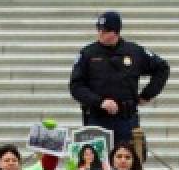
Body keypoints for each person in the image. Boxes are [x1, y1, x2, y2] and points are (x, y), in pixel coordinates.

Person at [68, 11, 170, 142]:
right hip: (97, 118)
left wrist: (147, 94)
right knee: (96, 161)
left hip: (126, 120)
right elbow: (76, 86)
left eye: (105, 31)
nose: (100, 33)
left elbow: (162, 68)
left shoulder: (134, 52)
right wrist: (100, 102)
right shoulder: (88, 53)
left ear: (115, 32)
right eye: (99, 29)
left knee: (128, 160)